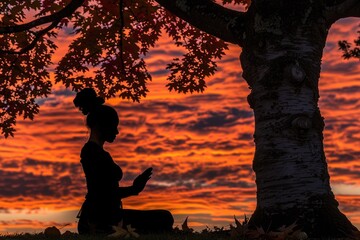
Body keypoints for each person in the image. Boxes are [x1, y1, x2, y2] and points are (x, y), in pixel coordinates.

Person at [74, 88, 173, 235]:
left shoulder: (97, 152)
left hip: (105, 216)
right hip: (100, 220)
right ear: (101, 125)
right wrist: (134, 189)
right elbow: (101, 194)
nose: (117, 131)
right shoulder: (91, 152)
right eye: (114, 126)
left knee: (165, 217)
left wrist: (135, 189)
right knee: (164, 218)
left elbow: (106, 192)